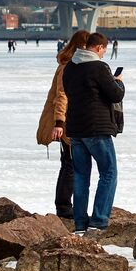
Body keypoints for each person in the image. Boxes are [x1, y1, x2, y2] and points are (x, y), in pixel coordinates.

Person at [62, 32, 125, 234]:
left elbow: (69, 91)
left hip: (75, 129)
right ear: (98, 48)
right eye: (103, 50)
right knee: (109, 172)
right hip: (97, 128)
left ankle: (80, 222)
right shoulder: (98, 67)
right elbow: (115, 94)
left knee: (81, 176)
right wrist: (119, 81)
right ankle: (98, 220)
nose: (103, 54)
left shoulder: (70, 67)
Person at [39, 31, 88, 219]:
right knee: (70, 165)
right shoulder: (67, 66)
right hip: (67, 122)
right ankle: (64, 208)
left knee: (69, 164)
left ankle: (66, 206)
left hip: (74, 120)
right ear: (80, 46)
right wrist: (59, 123)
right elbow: (62, 96)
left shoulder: (73, 64)